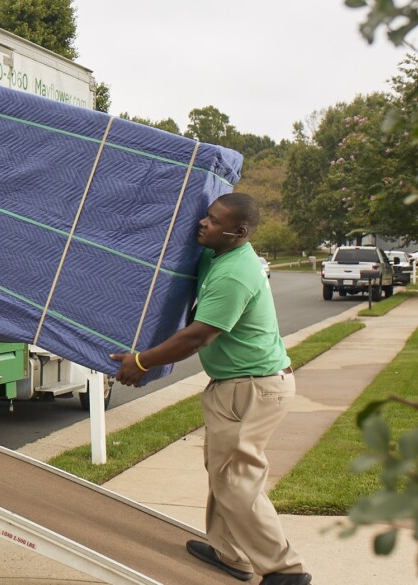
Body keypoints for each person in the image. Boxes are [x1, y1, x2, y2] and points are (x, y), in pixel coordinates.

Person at [110, 192, 310, 585]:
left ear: (240, 232)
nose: (204, 223)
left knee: (236, 479)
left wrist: (142, 361)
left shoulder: (236, 273)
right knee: (224, 472)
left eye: (215, 221)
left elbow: (199, 336)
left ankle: (286, 570)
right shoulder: (219, 255)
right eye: (207, 216)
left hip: (251, 387)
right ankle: (230, 553)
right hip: (241, 384)